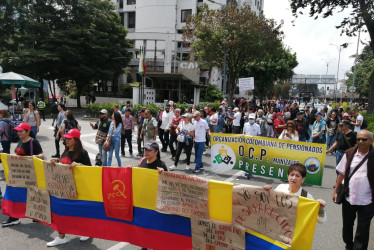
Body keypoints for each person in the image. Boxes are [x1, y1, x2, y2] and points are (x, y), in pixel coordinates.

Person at [46, 128, 91, 246]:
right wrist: (56, 161)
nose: (66, 140)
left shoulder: (82, 153)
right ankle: (61, 236)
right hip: (63, 189)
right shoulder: (65, 151)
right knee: (62, 211)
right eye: (66, 138)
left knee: (78, 211)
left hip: (77, 189)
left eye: (69, 138)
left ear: (75, 140)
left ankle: (85, 231)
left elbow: (91, 171)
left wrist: (80, 165)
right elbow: (63, 165)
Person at [333, 130, 374, 250]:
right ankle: (349, 244)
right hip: (348, 197)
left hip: (368, 200)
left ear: (371, 141)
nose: (360, 141)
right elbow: (341, 174)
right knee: (347, 225)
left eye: (364, 139)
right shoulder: (349, 153)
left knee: (363, 228)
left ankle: (359, 248)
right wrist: (335, 191)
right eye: (358, 139)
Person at [2, 123, 44, 227]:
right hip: (19, 174)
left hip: (30, 175)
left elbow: (42, 155)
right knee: (14, 194)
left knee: (32, 195)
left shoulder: (34, 142)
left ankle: (36, 215)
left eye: (21, 131)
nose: (18, 133)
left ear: (27, 131)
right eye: (18, 131)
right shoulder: (20, 141)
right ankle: (14, 217)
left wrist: (35, 156)